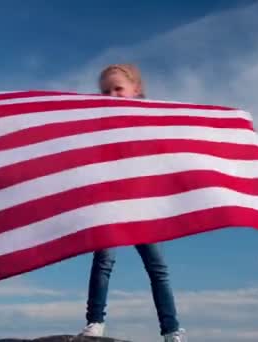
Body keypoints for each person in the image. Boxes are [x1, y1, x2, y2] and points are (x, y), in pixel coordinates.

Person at [79, 64, 186, 341]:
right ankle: (95, 322)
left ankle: (172, 329)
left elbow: (162, 154)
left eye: (118, 89)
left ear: (135, 90)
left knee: (157, 267)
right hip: (110, 202)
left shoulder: (148, 121)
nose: (112, 95)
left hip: (142, 202)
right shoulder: (100, 125)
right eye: (105, 91)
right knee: (103, 260)